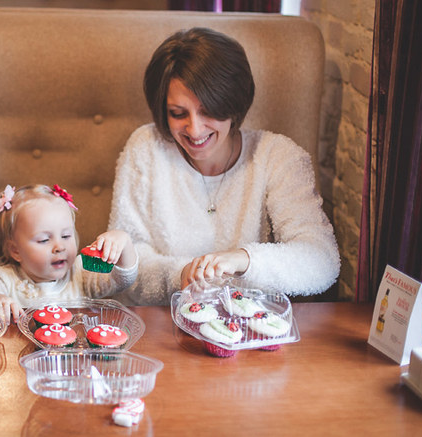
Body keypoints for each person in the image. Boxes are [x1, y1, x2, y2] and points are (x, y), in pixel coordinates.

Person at [109, 27, 340, 305]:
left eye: (208, 111)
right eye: (178, 113)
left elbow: (322, 260)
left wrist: (244, 260)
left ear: (233, 105)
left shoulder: (277, 156)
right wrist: (180, 274)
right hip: (162, 321)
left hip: (251, 322)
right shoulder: (146, 147)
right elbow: (126, 259)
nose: (194, 130)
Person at [0, 184, 138, 322]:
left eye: (66, 236)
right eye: (44, 240)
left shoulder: (80, 273)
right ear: (15, 250)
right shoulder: (6, 278)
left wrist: (124, 242)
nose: (60, 247)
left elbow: (122, 281)